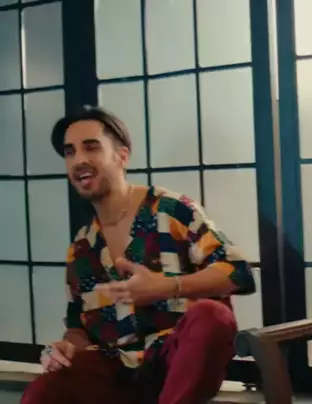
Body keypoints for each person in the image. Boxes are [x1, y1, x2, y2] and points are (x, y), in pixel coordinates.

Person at [21, 106, 256, 404]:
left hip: (177, 364)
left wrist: (169, 286)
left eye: (91, 147)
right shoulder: (82, 246)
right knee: (45, 390)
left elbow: (239, 272)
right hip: (117, 372)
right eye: (70, 152)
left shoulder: (171, 210)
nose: (79, 160)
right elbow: (78, 329)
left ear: (122, 156)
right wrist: (63, 348)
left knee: (213, 316)